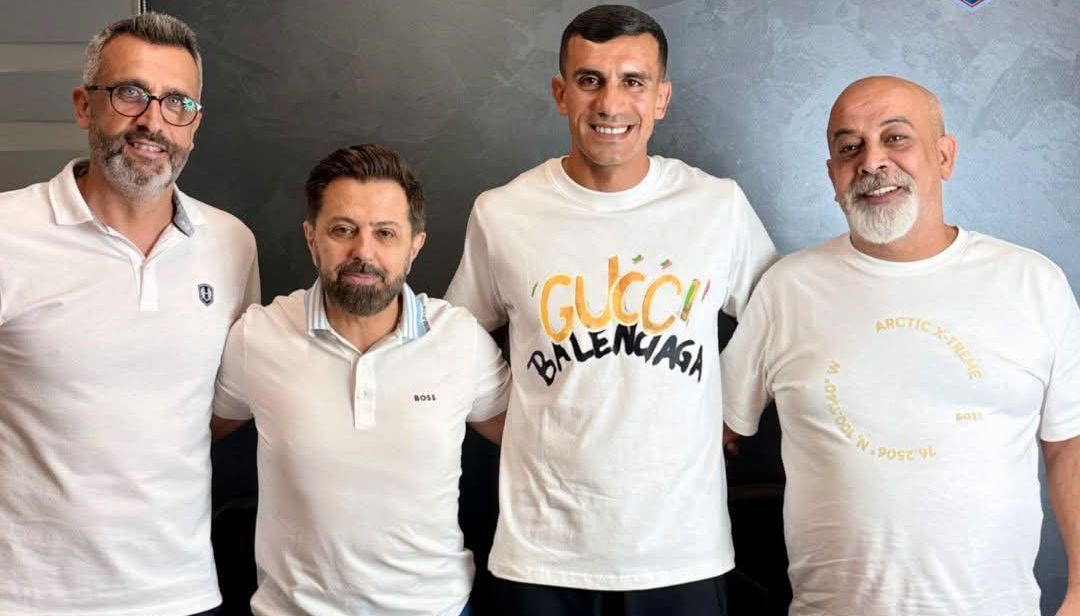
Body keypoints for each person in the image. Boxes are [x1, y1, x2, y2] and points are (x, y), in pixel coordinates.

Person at [445, 5, 777, 614]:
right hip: (541, 553)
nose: (610, 103)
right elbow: (452, 340)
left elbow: (779, 319)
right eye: (590, 80)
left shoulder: (716, 207)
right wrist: (510, 417)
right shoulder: (504, 213)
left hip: (681, 549)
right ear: (561, 94)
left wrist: (733, 409)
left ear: (661, 97)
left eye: (633, 81)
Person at [720, 75, 1080, 615]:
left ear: (944, 156)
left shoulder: (1033, 283)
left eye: (895, 138)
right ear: (832, 176)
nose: (871, 162)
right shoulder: (786, 289)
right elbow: (710, 435)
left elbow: (1070, 448)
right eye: (850, 147)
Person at [0, 12, 259, 616]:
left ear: (195, 125)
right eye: (130, 93)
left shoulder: (232, 244)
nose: (152, 121)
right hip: (28, 597)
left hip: (183, 593)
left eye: (177, 102)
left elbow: (217, 407)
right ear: (84, 106)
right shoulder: (7, 232)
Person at [211, 144, 509, 616]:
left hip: (435, 609)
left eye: (385, 233)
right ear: (312, 238)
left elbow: (528, 442)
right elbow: (191, 434)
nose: (363, 252)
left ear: (414, 247)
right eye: (342, 230)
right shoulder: (259, 336)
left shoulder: (460, 340)